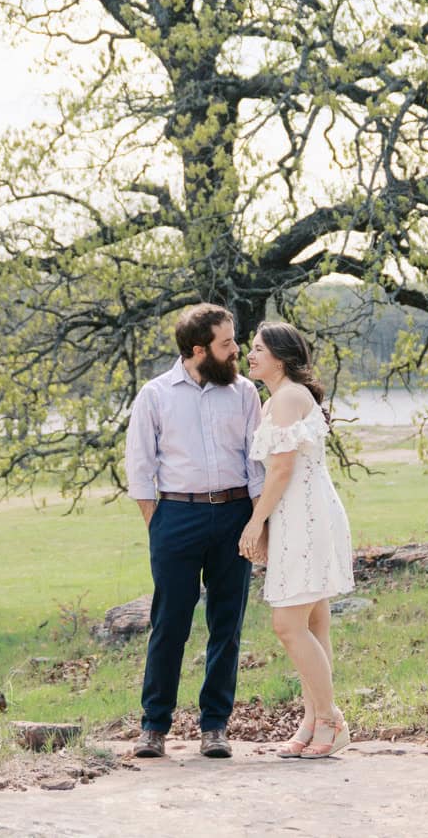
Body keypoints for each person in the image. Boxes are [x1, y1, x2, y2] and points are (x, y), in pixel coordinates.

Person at [123, 303, 265, 760]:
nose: (236, 350)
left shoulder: (244, 394)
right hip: (176, 519)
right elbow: (140, 468)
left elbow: (256, 463)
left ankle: (215, 726)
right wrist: (158, 525)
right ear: (199, 350)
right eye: (227, 344)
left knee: (227, 624)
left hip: (233, 514)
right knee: (169, 625)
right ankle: (154, 726)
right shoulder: (155, 395)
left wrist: (256, 523)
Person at [238, 320, 355, 759]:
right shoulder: (281, 399)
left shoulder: (287, 397)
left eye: (257, 349)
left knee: (288, 625)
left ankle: (330, 718)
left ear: (281, 357)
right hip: (303, 516)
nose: (250, 355)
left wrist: (255, 523)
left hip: (304, 519)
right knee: (312, 623)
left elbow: (283, 469)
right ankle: (311, 720)